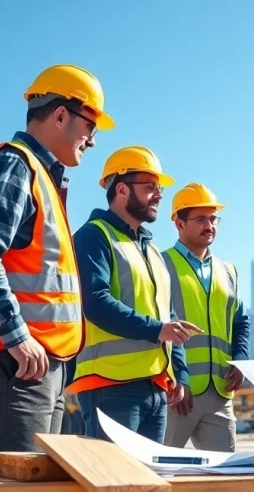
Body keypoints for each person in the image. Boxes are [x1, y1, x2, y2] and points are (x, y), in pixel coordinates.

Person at [0, 64, 114, 477]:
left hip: (36, 365)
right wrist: (17, 335)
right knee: (16, 486)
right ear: (60, 115)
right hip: (11, 364)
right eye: (89, 124)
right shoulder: (13, 166)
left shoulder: (41, 177)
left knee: (41, 484)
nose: (92, 140)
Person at [68, 146, 200, 443]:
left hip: (155, 387)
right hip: (111, 387)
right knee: (113, 483)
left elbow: (169, 318)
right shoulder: (94, 235)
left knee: (148, 483)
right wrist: (158, 330)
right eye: (150, 186)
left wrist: (179, 373)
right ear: (123, 189)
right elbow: (95, 302)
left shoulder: (151, 249)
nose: (159, 194)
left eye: (159, 187)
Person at [163, 183, 250, 452]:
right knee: (157, 470)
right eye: (201, 219)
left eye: (213, 219)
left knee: (225, 475)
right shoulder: (160, 263)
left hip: (220, 392)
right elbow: (159, 325)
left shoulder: (229, 270)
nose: (209, 225)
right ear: (179, 222)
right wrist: (179, 377)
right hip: (176, 392)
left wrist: (241, 359)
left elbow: (240, 322)